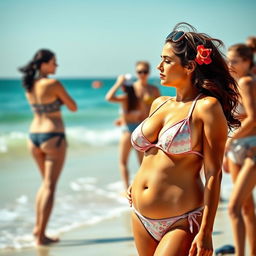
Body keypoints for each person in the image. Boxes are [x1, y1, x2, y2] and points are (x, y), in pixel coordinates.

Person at [127, 22, 240, 256]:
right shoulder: (159, 104)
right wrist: (138, 183)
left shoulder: (206, 108)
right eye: (161, 59)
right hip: (140, 216)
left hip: (182, 219)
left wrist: (207, 231)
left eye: (167, 61)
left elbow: (213, 174)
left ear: (189, 66)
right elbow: (152, 155)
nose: (159, 66)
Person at [19, 49, 77, 245]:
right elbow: (73, 106)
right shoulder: (53, 83)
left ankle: (38, 229)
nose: (56, 66)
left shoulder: (29, 84)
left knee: (44, 184)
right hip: (53, 136)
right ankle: (41, 235)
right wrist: (60, 100)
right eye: (53, 62)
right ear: (43, 64)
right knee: (50, 187)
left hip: (33, 135)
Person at [105, 61, 160, 190]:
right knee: (132, 161)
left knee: (143, 162)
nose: (142, 74)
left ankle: (143, 188)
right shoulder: (132, 89)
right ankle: (129, 190)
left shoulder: (154, 89)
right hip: (135, 127)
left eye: (145, 72)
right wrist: (122, 119)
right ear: (136, 73)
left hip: (145, 129)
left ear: (149, 72)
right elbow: (130, 108)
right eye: (140, 72)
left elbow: (159, 109)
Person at [224, 44, 256, 256]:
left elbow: (253, 118)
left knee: (233, 208)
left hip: (251, 149)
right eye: (229, 60)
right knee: (245, 208)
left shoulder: (246, 82)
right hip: (236, 149)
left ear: (247, 61)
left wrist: (227, 142)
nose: (230, 64)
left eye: (235, 61)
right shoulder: (234, 84)